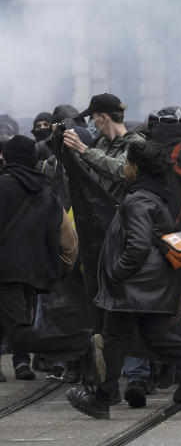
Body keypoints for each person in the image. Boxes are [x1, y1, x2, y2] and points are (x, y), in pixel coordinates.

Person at [66, 138, 181, 419]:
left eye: (127, 163)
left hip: (136, 286)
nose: (125, 167)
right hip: (154, 284)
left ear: (136, 167)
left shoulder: (138, 199)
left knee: (114, 338)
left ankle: (102, 398)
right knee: (155, 337)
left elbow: (138, 246)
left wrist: (116, 274)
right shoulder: (153, 197)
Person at [62, 92, 150, 403]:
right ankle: (106, 383)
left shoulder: (136, 144)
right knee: (104, 311)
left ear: (103, 117)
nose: (93, 124)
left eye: (94, 118)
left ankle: (137, 375)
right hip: (102, 235)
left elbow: (119, 170)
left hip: (128, 234)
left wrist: (83, 150)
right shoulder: (99, 145)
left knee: (128, 308)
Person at [0, 136, 97, 385]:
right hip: (32, 278)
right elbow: (69, 240)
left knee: (19, 336)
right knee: (18, 328)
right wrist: (59, 271)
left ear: (8, 159)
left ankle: (82, 341)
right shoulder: (46, 194)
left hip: (6, 275)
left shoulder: (2, 187)